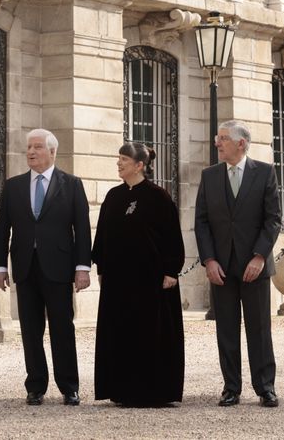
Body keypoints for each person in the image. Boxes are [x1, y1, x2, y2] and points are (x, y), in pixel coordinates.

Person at [0, 129, 91, 406]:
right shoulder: (13, 187)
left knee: (62, 328)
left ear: (52, 152)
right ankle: (35, 385)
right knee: (30, 329)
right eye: (28, 148)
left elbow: (82, 230)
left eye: (37, 147)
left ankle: (69, 386)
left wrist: (82, 268)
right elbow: (2, 231)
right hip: (25, 268)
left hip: (59, 268)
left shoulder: (71, 185)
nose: (31, 152)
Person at [195, 120, 282, 408]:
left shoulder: (265, 172)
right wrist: (208, 260)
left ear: (240, 143)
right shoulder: (209, 176)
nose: (217, 143)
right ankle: (231, 388)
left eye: (222, 139)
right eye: (217, 138)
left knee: (259, 329)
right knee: (226, 330)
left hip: (254, 266)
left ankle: (265, 387)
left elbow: (273, 220)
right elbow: (202, 222)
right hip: (221, 267)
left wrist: (259, 256)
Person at [92, 142, 185, 407]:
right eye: (118, 158)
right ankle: (122, 390)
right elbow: (103, 236)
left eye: (124, 159)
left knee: (150, 334)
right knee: (120, 333)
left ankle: (152, 392)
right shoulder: (113, 196)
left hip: (151, 281)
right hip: (118, 281)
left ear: (140, 165)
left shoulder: (159, 196)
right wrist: (101, 267)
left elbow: (171, 236)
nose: (119, 163)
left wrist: (171, 270)